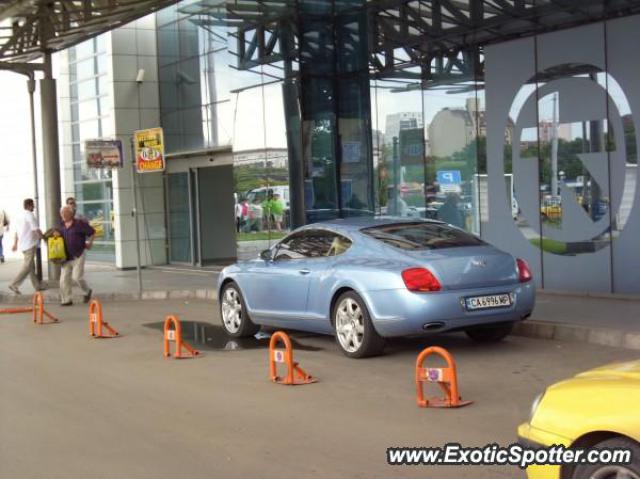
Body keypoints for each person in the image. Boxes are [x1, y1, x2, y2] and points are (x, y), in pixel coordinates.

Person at [58, 205, 95, 306]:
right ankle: (67, 300)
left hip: (78, 254)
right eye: (61, 213)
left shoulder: (79, 223)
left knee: (77, 277)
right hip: (66, 257)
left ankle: (87, 291)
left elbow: (92, 232)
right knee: (63, 280)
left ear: (71, 213)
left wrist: (90, 243)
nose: (63, 215)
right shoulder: (61, 225)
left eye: (65, 213)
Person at [8, 199, 43, 294]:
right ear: (29, 205)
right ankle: (14, 284)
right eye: (33, 205)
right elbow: (36, 229)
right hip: (30, 244)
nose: (34, 206)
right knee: (28, 266)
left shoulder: (20, 215)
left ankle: (37, 286)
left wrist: (15, 243)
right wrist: (44, 237)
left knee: (31, 267)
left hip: (23, 245)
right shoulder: (30, 215)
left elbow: (17, 232)